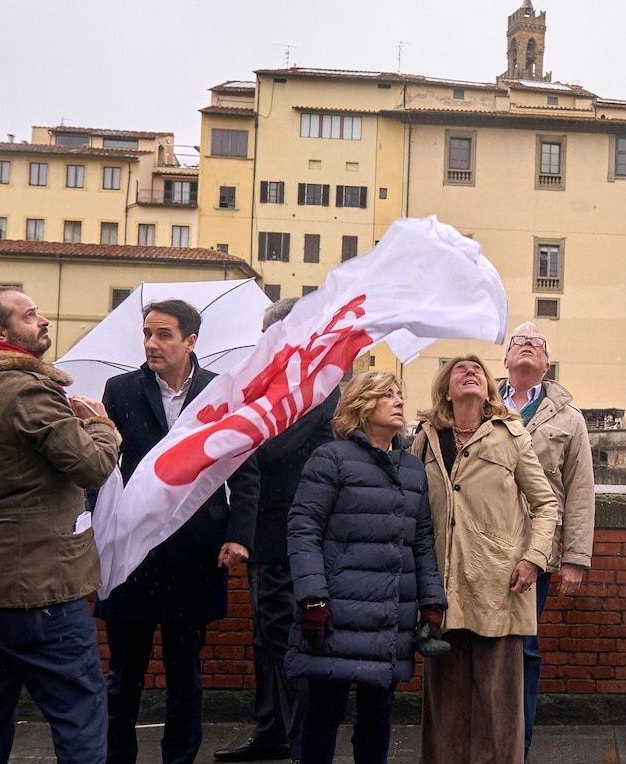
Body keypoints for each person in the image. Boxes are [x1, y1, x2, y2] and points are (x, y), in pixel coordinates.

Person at [0, 287, 121, 764]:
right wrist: (101, 425)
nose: (42, 321)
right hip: (38, 581)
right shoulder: (27, 390)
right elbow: (91, 467)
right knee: (79, 709)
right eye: (29, 315)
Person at [97, 299, 243, 764]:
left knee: (186, 674)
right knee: (123, 674)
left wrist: (239, 535)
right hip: (132, 551)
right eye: (147, 334)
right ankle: (117, 757)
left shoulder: (220, 392)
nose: (151, 344)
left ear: (191, 341)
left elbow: (245, 469)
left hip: (195, 549)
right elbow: (102, 469)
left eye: (163, 334)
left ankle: (180, 758)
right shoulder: (119, 389)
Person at [284, 370, 446, 764]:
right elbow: (303, 528)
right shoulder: (331, 458)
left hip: (389, 614)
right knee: (324, 712)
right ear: (362, 405)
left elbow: (421, 541)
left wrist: (431, 602)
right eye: (386, 395)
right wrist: (313, 599)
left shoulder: (411, 468)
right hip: (335, 611)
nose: (399, 401)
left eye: (399, 395)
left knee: (378, 713)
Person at [413, 354, 558, 764]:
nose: (470, 371)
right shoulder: (425, 438)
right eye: (460, 369)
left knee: (500, 704)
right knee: (446, 704)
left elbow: (546, 504)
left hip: (500, 582)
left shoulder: (511, 435)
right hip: (442, 587)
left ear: (490, 387)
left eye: (477, 369)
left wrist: (534, 559)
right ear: (446, 387)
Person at [216, 297, 340, 764]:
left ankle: (297, 738)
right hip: (267, 530)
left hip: (298, 531)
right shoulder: (274, 390)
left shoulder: (316, 388)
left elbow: (268, 451)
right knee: (267, 637)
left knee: (291, 636)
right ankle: (272, 731)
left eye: (275, 335)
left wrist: (243, 429)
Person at [498, 321, 594, 758]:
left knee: (524, 647)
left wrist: (575, 557)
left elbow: (580, 490)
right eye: (518, 341)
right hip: (480, 546)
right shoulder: (477, 405)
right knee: (475, 644)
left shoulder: (569, 419)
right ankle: (483, 734)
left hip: (536, 550)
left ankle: (519, 741)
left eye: (536, 344)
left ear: (546, 364)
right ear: (505, 359)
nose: (526, 346)